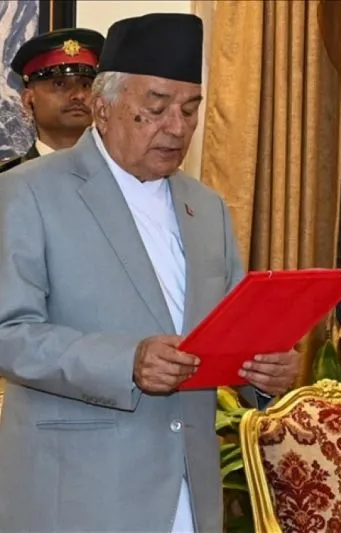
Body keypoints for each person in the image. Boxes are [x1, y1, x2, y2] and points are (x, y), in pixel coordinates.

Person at [0, 13, 299, 532]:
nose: (177, 127)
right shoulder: (27, 192)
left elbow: (232, 329)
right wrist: (126, 362)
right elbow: (9, 332)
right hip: (78, 496)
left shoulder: (206, 208)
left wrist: (265, 371)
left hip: (191, 492)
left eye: (190, 109)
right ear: (103, 107)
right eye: (156, 108)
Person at [0, 27, 104, 172]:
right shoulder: (7, 180)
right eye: (60, 84)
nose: (79, 95)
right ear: (28, 101)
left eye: (86, 85)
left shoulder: (122, 175)